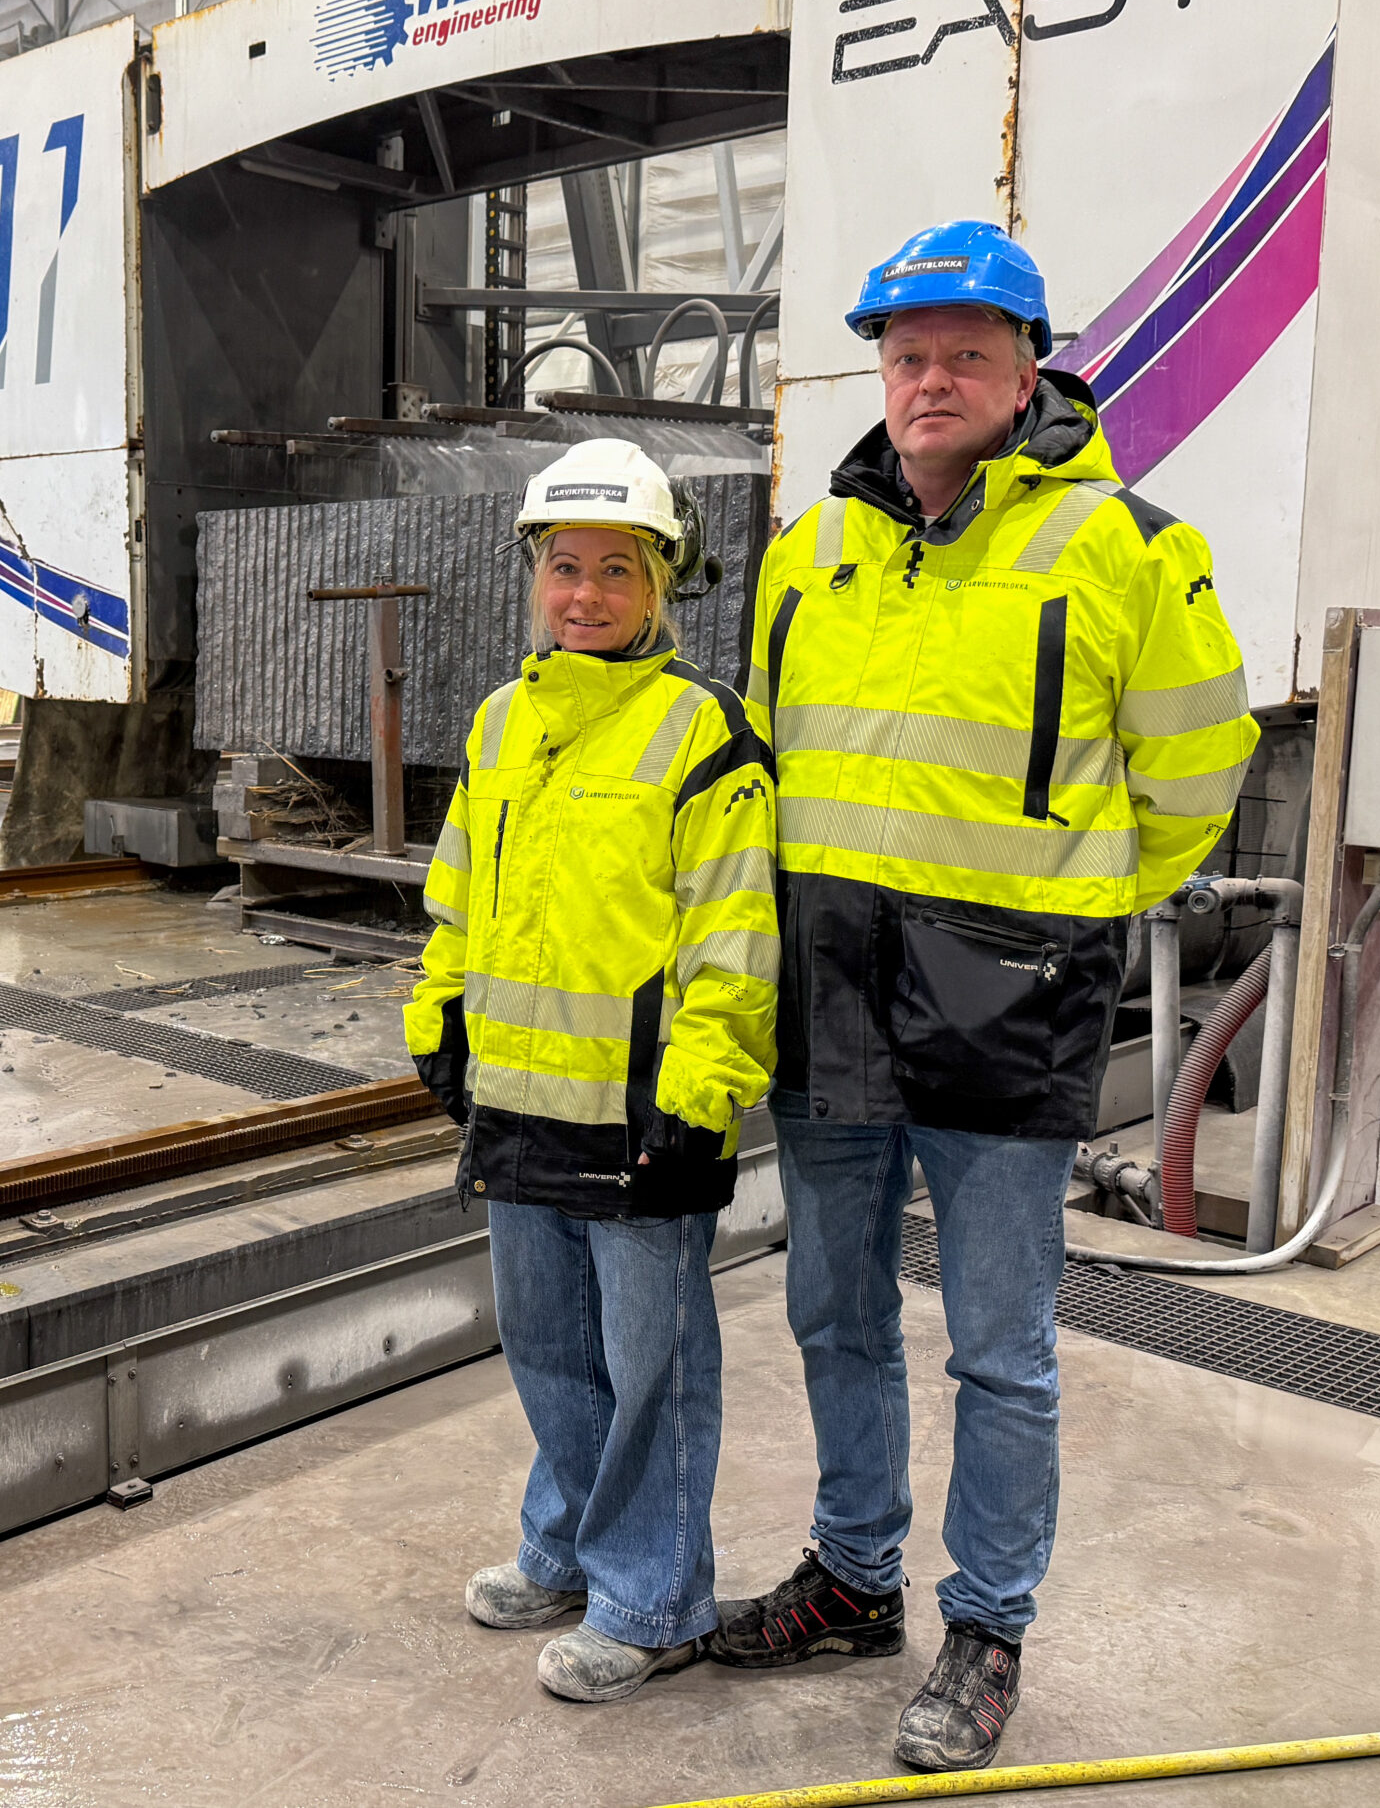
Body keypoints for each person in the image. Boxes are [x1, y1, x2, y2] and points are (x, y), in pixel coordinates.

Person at [709, 221, 1258, 1769]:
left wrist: (1071, 892)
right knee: (832, 1307)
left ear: (1030, 370)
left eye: (964, 353)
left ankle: (988, 1625)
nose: (930, 378)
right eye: (905, 353)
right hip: (832, 975)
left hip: (1006, 984)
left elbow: (1200, 768)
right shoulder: (812, 547)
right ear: (877, 371)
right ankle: (853, 1576)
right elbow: (772, 748)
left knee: (997, 1343)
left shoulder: (1124, 546)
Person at [404, 438, 780, 1704]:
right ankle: (565, 1548)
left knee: (650, 1369)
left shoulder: (704, 732)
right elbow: (458, 889)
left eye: (615, 571)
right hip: (517, 1102)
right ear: (532, 575)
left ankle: (655, 1597)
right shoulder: (503, 721)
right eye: (564, 568)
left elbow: (732, 930)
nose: (585, 595)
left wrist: (704, 1088)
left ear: (661, 584)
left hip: (644, 1115)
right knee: (549, 1351)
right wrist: (438, 1008)